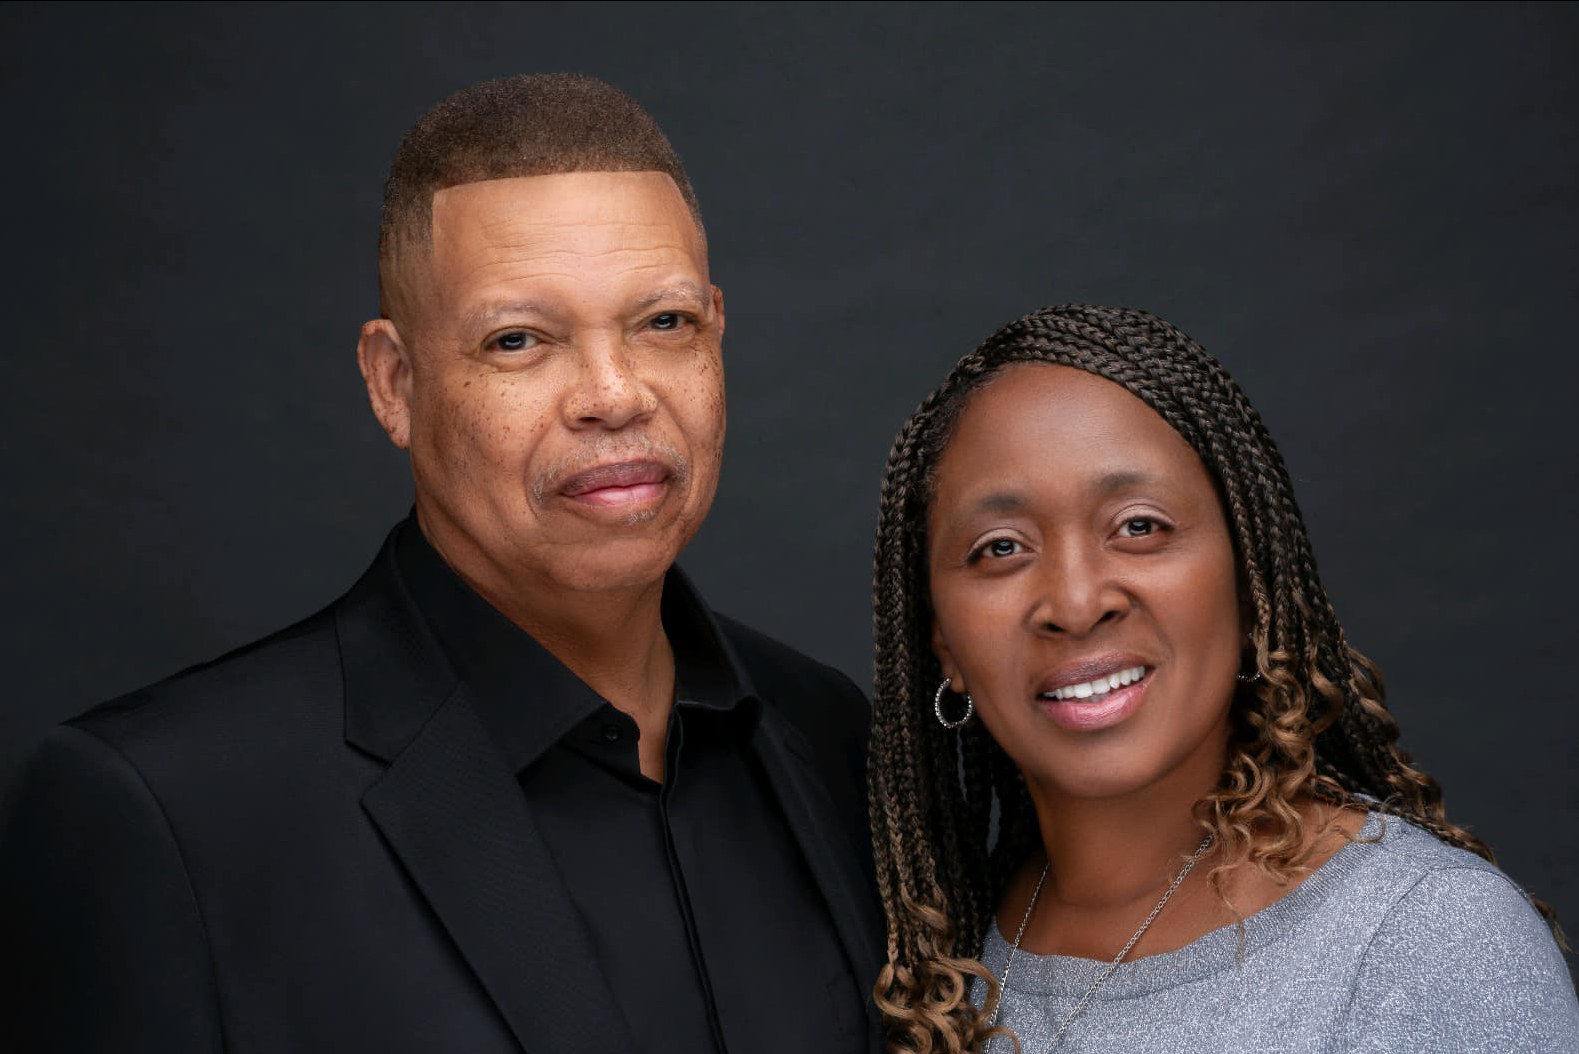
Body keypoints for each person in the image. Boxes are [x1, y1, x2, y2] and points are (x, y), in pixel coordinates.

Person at [0, 74, 881, 1053]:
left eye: (663, 323)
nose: (613, 393)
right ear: (395, 383)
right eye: (518, 340)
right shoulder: (166, 815)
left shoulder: (835, 739)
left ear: (717, 330)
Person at [864, 305, 1579, 1053]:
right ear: (940, 638)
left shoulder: (1425, 943)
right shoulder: (932, 966)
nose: (1076, 603)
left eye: (1139, 526)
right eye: (1000, 547)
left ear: (1248, 582)